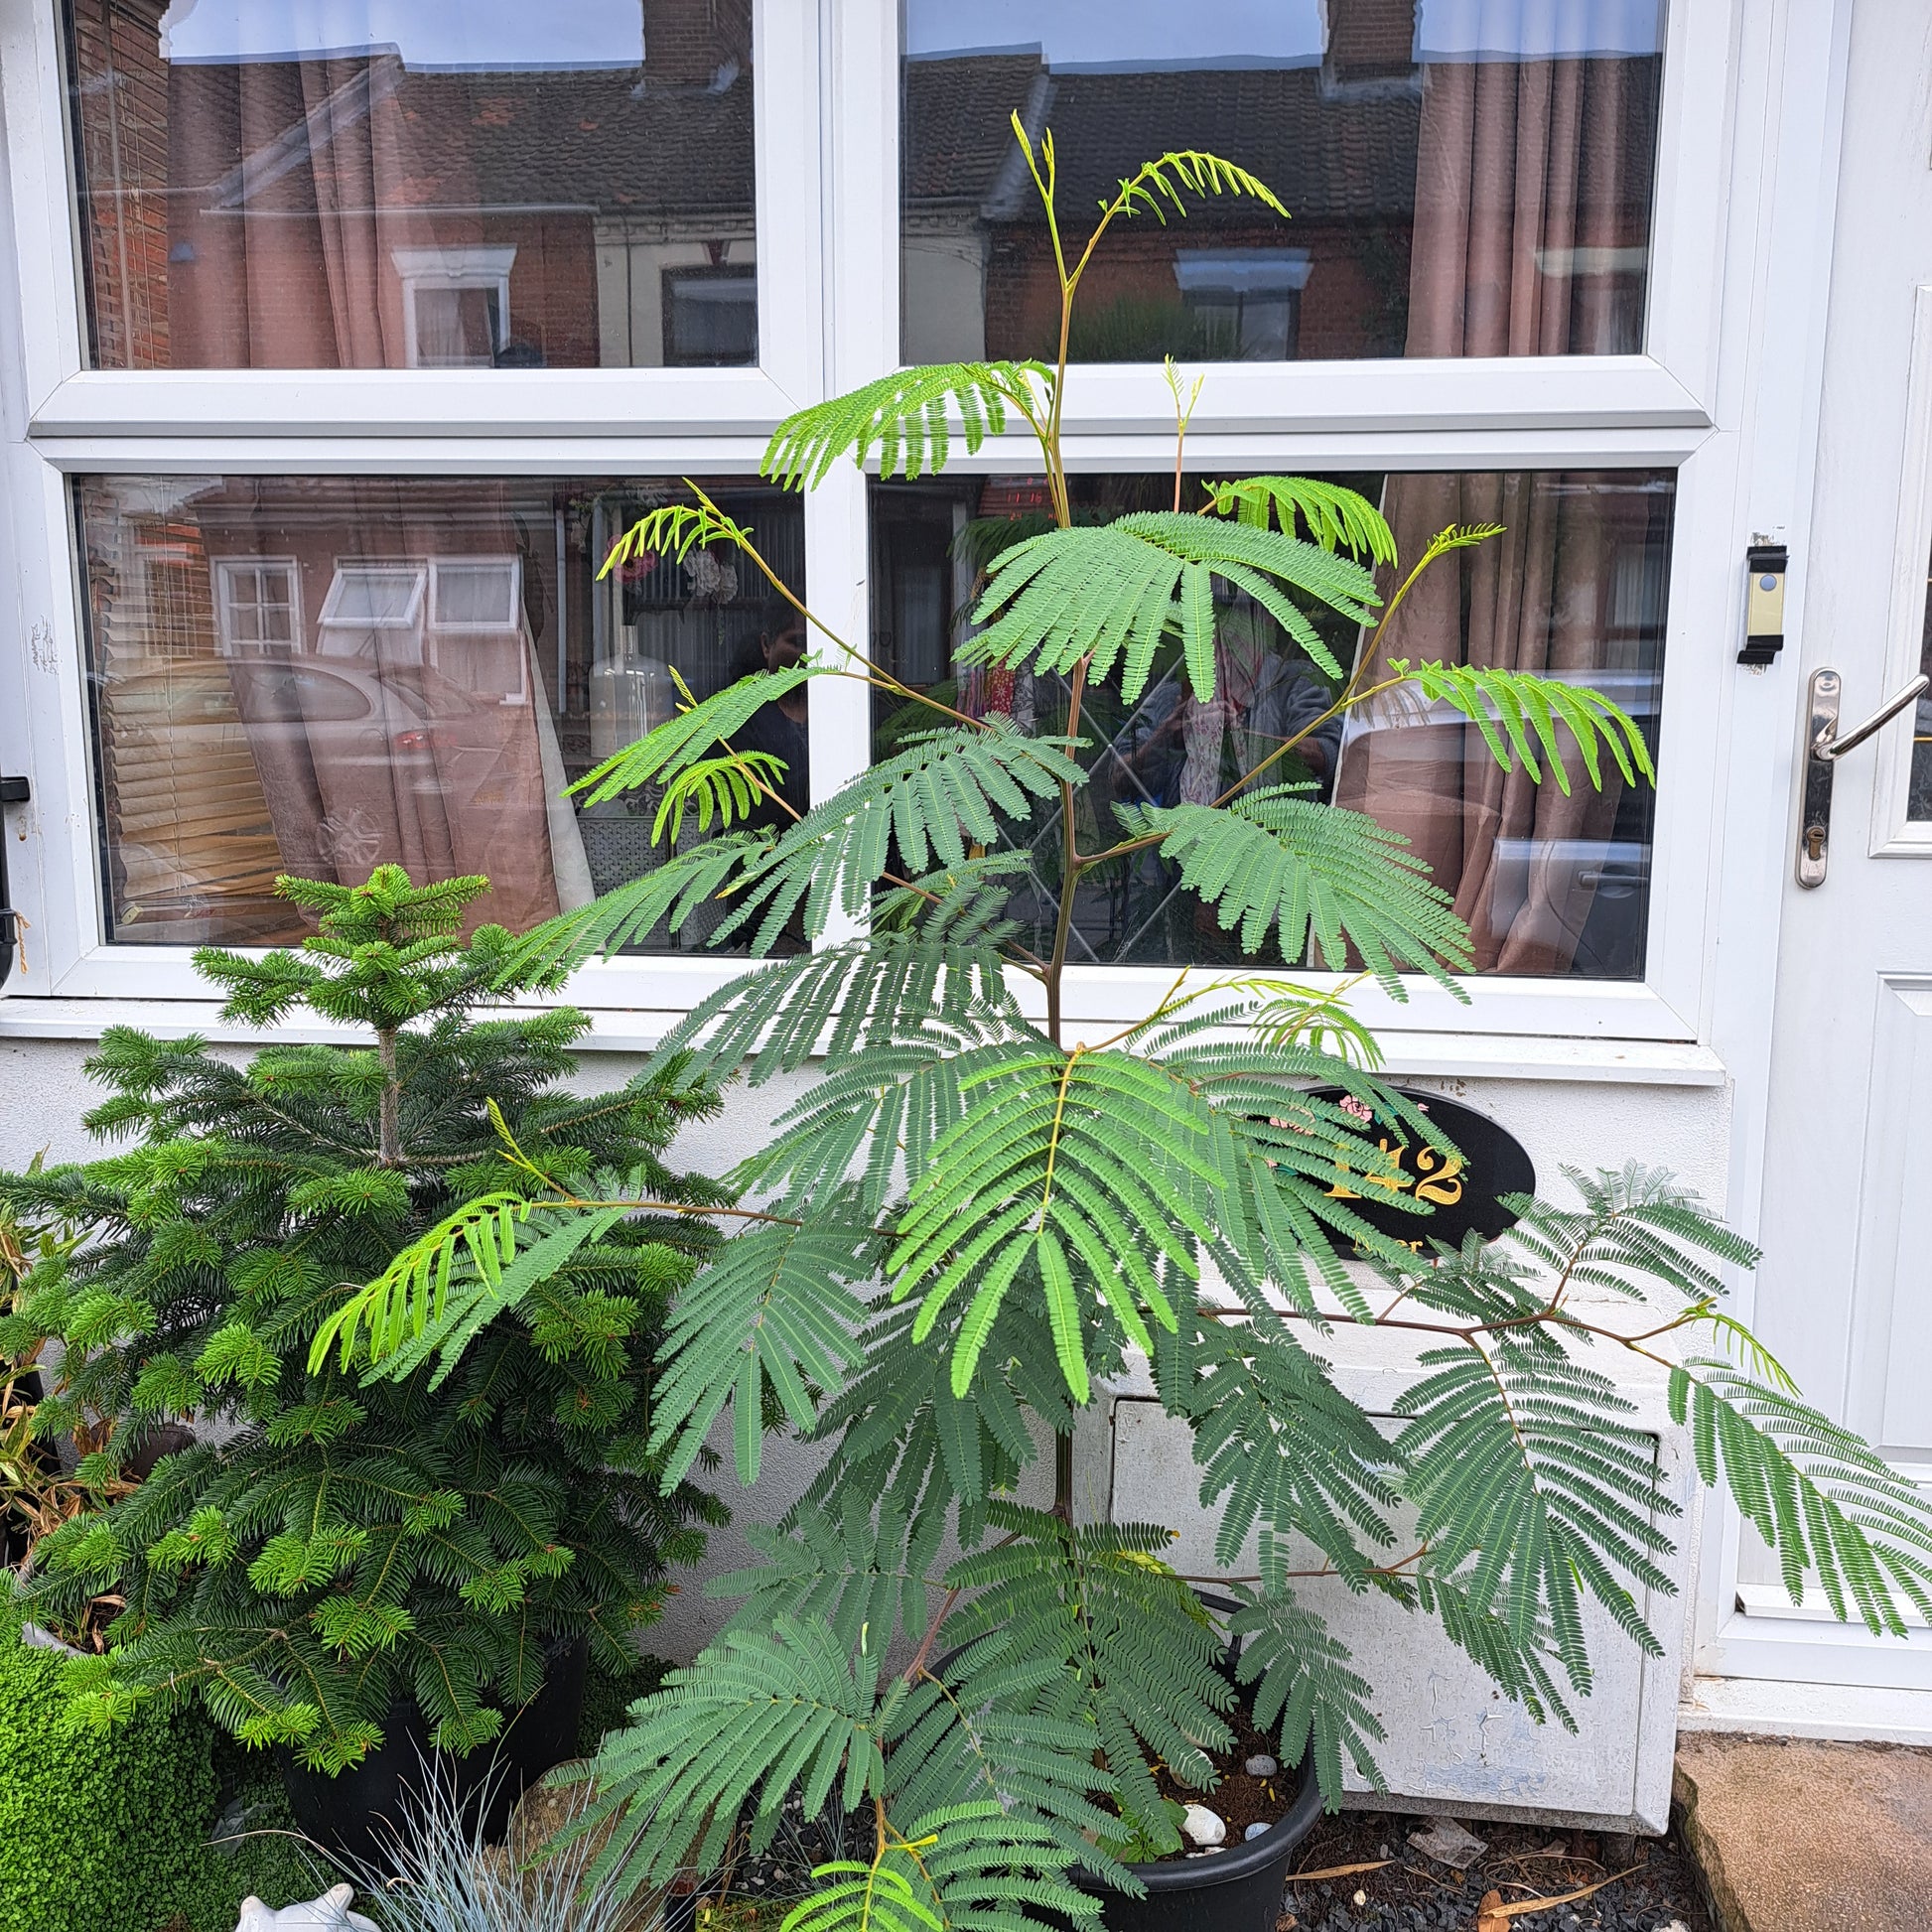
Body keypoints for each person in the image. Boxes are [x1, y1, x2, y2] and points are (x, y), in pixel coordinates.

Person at [731, 604, 811, 831]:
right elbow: (751, 808)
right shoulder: (740, 724)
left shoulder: (842, 717)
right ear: (767, 645)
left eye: (817, 645)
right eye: (797, 642)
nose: (808, 656)